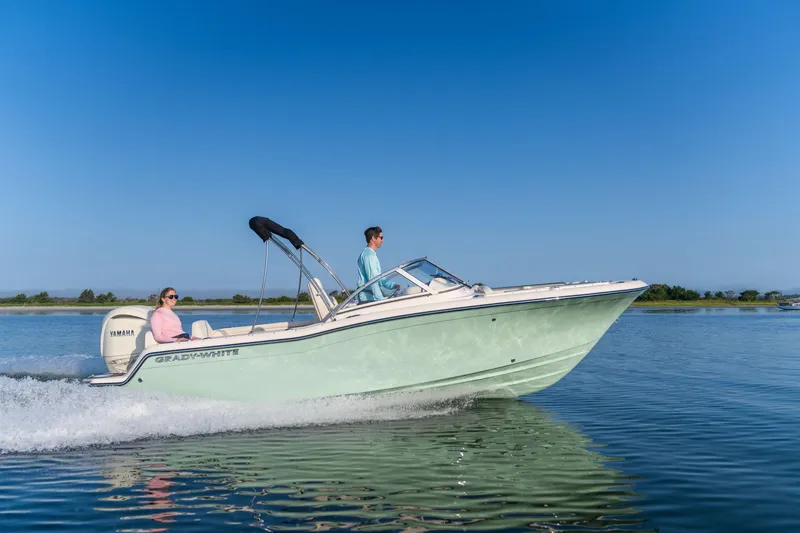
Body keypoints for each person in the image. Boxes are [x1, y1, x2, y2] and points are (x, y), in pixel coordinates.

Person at [357, 226, 401, 302]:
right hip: (368, 298)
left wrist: (392, 285)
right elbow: (373, 279)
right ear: (373, 238)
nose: (383, 240)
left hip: (370, 297)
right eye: (381, 237)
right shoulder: (369, 256)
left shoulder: (368, 254)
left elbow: (378, 278)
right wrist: (380, 300)